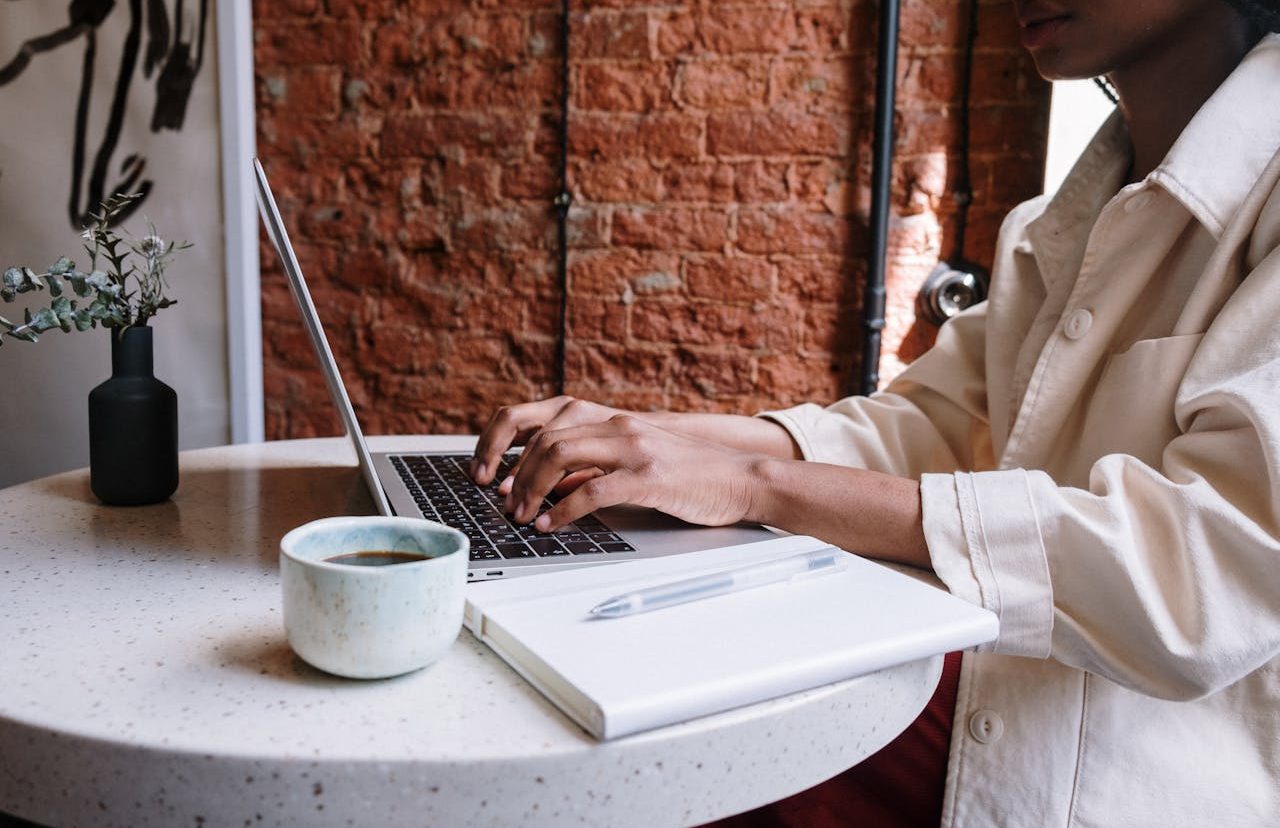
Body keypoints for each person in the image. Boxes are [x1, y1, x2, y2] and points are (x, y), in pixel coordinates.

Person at [470, 0, 1280, 824]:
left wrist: (757, 487)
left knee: (640, 758)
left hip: (1111, 774)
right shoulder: (1064, 220)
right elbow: (927, 426)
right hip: (985, 690)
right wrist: (658, 441)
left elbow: (1205, 572)